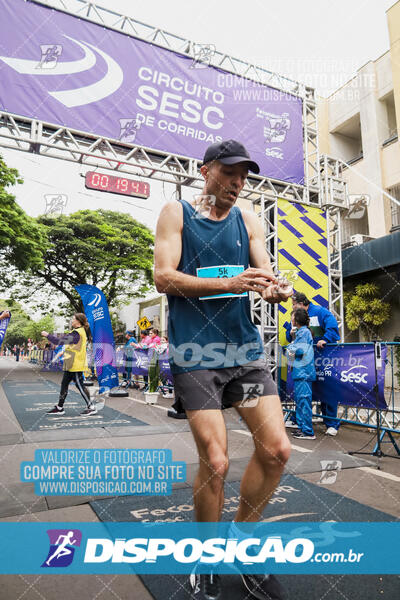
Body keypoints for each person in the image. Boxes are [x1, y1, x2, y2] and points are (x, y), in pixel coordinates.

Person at [154, 139, 292, 600]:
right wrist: (229, 283)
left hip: (244, 355)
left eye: (244, 176)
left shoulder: (249, 218)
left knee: (276, 451)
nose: (237, 183)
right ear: (205, 170)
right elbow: (163, 277)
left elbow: (267, 277)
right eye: (230, 173)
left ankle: (243, 545)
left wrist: (276, 289)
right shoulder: (177, 213)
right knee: (215, 462)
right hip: (197, 356)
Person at [284, 292, 341, 436]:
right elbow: (289, 337)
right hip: (305, 362)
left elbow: (333, 328)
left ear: (302, 303)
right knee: (303, 395)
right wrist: (290, 336)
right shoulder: (297, 319)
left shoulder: (321, 312)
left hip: (323, 359)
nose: (292, 307)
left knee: (327, 389)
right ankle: (301, 422)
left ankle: (331, 423)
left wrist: (326, 339)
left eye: (294, 304)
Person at [41, 313, 97, 416]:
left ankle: (91, 407)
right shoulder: (77, 332)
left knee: (80, 385)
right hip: (70, 363)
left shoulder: (77, 333)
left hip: (75, 364)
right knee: (64, 385)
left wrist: (47, 335)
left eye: (73, 319)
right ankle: (60, 407)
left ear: (78, 321)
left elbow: (59, 341)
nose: (71, 320)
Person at [286, 309, 316, 440]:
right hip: (300, 371)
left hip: (303, 371)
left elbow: (299, 350)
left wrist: (290, 348)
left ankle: (308, 431)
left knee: (303, 400)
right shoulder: (301, 332)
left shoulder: (304, 332)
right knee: (300, 401)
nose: (291, 319)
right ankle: (302, 428)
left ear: (296, 319)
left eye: (292, 317)